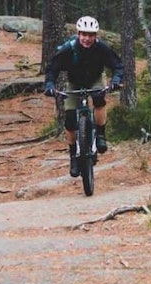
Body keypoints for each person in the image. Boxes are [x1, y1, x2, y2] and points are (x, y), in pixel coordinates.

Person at [43, 15, 124, 177]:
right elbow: (52, 68)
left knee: (99, 98)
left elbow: (118, 65)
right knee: (70, 119)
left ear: (96, 36)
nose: (87, 39)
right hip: (75, 83)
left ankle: (100, 134)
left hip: (95, 79)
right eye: (84, 35)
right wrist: (50, 84)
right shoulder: (69, 48)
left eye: (91, 35)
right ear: (78, 34)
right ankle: (74, 155)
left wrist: (115, 80)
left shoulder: (102, 48)